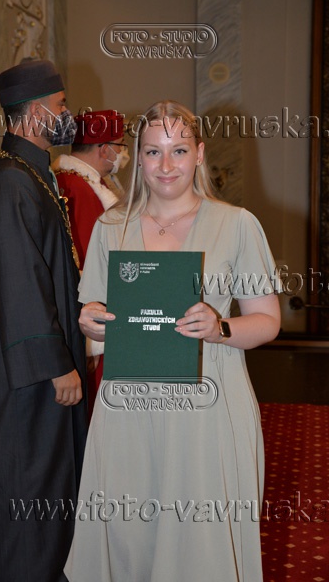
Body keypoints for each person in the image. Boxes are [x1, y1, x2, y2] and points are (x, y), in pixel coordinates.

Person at [64, 100, 281, 582]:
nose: (166, 165)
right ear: (136, 157)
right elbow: (93, 312)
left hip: (209, 408)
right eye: (153, 151)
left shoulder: (237, 224)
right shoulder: (111, 226)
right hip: (128, 408)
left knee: (202, 546)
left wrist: (221, 328)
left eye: (179, 150)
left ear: (199, 154)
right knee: (128, 537)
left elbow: (267, 321)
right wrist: (91, 322)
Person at [0, 60, 88, 582]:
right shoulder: (11, 183)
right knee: (29, 501)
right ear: (37, 113)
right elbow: (21, 283)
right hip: (32, 384)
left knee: (49, 499)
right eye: (61, 106)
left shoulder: (31, 174)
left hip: (43, 378)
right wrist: (55, 365)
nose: (68, 114)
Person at [52, 110, 126, 415]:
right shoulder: (79, 189)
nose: (123, 154)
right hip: (94, 322)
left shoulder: (78, 182)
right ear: (104, 149)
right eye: (120, 146)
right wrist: (91, 342)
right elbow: (85, 267)